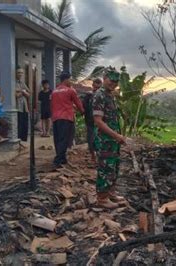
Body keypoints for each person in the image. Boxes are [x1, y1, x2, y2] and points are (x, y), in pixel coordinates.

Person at [92, 68, 126, 208]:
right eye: (111, 81)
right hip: (105, 140)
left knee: (113, 166)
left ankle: (111, 193)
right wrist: (116, 135)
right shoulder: (99, 95)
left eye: (116, 82)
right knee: (105, 168)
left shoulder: (110, 95)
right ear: (105, 78)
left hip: (113, 140)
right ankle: (102, 198)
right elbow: (98, 121)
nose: (114, 84)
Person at [51, 71, 84, 167]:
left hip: (56, 118)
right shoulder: (70, 90)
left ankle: (62, 158)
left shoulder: (54, 91)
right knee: (64, 139)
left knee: (57, 139)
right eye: (70, 79)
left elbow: (52, 105)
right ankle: (57, 161)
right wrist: (82, 111)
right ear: (66, 79)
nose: (71, 81)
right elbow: (78, 103)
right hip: (66, 117)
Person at [83, 78, 102, 161]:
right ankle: (94, 155)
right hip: (93, 120)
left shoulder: (89, 95)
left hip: (96, 120)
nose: (96, 88)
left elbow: (84, 107)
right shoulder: (89, 96)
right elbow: (84, 107)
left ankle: (95, 155)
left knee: (94, 137)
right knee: (93, 137)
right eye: (95, 86)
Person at [15, 68, 30, 142]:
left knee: (25, 123)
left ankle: (23, 140)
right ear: (15, 73)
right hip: (18, 107)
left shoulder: (22, 82)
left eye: (21, 73)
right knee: (19, 124)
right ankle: (19, 140)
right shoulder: (14, 83)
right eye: (18, 72)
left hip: (25, 106)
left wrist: (21, 92)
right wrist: (23, 92)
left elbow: (29, 93)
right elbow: (15, 95)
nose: (20, 74)